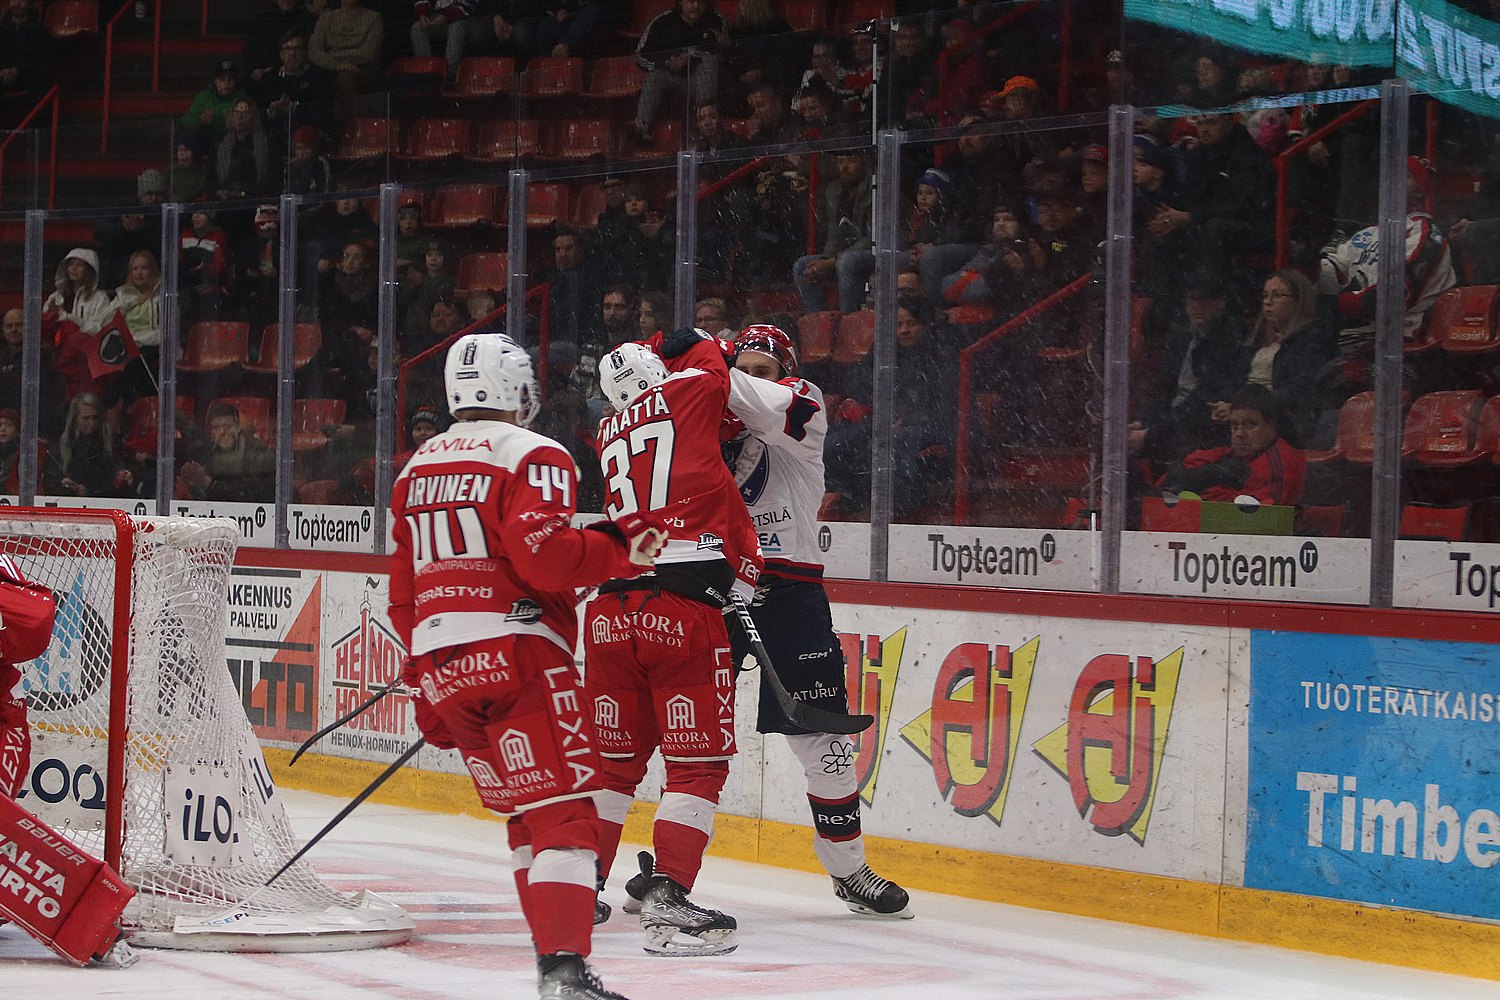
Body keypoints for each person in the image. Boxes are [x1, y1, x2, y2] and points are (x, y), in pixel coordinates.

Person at [390, 332, 667, 1000]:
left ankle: (555, 959)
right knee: (567, 819)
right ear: (516, 388)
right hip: (517, 655)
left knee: (526, 817)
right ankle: (565, 970)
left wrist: (426, 674)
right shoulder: (531, 451)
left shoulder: (415, 466)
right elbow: (543, 556)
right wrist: (619, 549)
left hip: (443, 663)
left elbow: (405, 594)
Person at [719, 323, 913, 917]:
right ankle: (630, 867)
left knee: (828, 742)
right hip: (716, 587)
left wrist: (700, 364)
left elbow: (736, 394)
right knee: (677, 728)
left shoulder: (801, 402)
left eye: (764, 370)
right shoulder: (705, 420)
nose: (753, 379)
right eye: (744, 367)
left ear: (785, 373)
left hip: (789, 592)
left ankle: (849, 869)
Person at [587, 329, 763, 956]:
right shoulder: (684, 392)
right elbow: (713, 373)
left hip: (611, 609)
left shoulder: (608, 431)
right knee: (697, 766)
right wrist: (700, 339)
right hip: (683, 608)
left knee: (613, 764)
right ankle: (667, 902)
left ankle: (580, 891)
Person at [1317, 155, 1455, 354]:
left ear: (1420, 191)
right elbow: (1331, 271)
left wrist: (1332, 307)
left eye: (1406, 176)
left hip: (1401, 334)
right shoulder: (1369, 234)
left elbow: (1395, 293)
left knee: (1312, 344)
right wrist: (1305, 275)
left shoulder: (1425, 232)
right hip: (1359, 327)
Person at [1235, 269, 1336, 449]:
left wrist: (1254, 406)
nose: (1268, 302)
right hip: (1245, 411)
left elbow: (1299, 389)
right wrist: (1230, 403)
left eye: (1277, 295)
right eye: (1265, 295)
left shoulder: (1313, 338)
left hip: (1282, 419)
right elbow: (1235, 375)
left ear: (1298, 301)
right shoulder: (1257, 336)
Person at [1161, 384, 1306, 506]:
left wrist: (1202, 487)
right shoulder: (1228, 455)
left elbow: (1249, 513)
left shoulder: (1279, 463)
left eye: (1250, 425)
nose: (1239, 433)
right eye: (1234, 426)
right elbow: (1174, 479)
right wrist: (1208, 474)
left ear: (1272, 426)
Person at [632, 0, 725, 144]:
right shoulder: (662, 22)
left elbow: (722, 52)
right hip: (672, 79)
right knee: (655, 76)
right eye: (690, 1)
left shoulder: (714, 20)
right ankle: (640, 129)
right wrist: (666, 62)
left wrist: (690, 56)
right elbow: (640, 55)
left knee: (710, 62)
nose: (695, 6)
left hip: (702, 82)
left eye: (700, 1)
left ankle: (704, 127)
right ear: (681, 2)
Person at [792, 150, 873, 313]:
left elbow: (873, 239)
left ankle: (847, 319)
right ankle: (817, 320)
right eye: (840, 162)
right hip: (847, 254)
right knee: (802, 266)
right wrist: (825, 260)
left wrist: (831, 262)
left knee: (846, 262)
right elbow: (834, 233)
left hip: (879, 253)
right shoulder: (834, 191)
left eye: (850, 161)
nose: (844, 167)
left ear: (863, 164)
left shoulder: (874, 187)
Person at [177, 401, 275, 502]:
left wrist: (208, 484)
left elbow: (252, 495)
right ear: (210, 432)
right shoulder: (205, 454)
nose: (222, 432)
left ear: (238, 427)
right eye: (216, 427)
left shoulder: (257, 451)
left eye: (227, 426)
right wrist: (193, 487)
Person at [308, 0, 385, 118]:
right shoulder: (325, 18)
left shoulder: (374, 18)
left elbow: (368, 53)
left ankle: (357, 127)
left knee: (345, 78)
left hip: (361, 69)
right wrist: (336, 65)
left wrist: (342, 63)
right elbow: (314, 51)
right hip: (327, 69)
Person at [51, 392, 122, 498]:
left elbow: (118, 479)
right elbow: (51, 480)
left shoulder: (112, 443)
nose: (92, 423)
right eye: (86, 418)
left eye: (95, 418)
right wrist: (65, 486)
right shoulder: (62, 445)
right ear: (75, 419)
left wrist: (91, 492)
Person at [179, 60, 249, 143]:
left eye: (230, 79)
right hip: (209, 140)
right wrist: (200, 120)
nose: (226, 82)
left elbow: (253, 119)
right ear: (215, 82)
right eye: (222, 79)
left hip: (236, 140)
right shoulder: (205, 96)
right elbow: (185, 121)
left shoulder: (243, 95)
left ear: (236, 81)